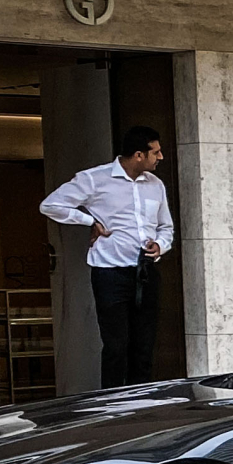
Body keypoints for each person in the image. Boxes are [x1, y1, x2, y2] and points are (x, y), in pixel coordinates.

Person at [40, 127, 174, 388]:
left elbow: (165, 226)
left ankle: (142, 401)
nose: (161, 157)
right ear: (139, 155)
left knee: (144, 345)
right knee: (115, 345)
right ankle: (112, 405)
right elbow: (51, 205)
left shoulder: (155, 185)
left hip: (144, 270)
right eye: (156, 152)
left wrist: (161, 245)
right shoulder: (94, 179)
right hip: (109, 272)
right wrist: (89, 220)